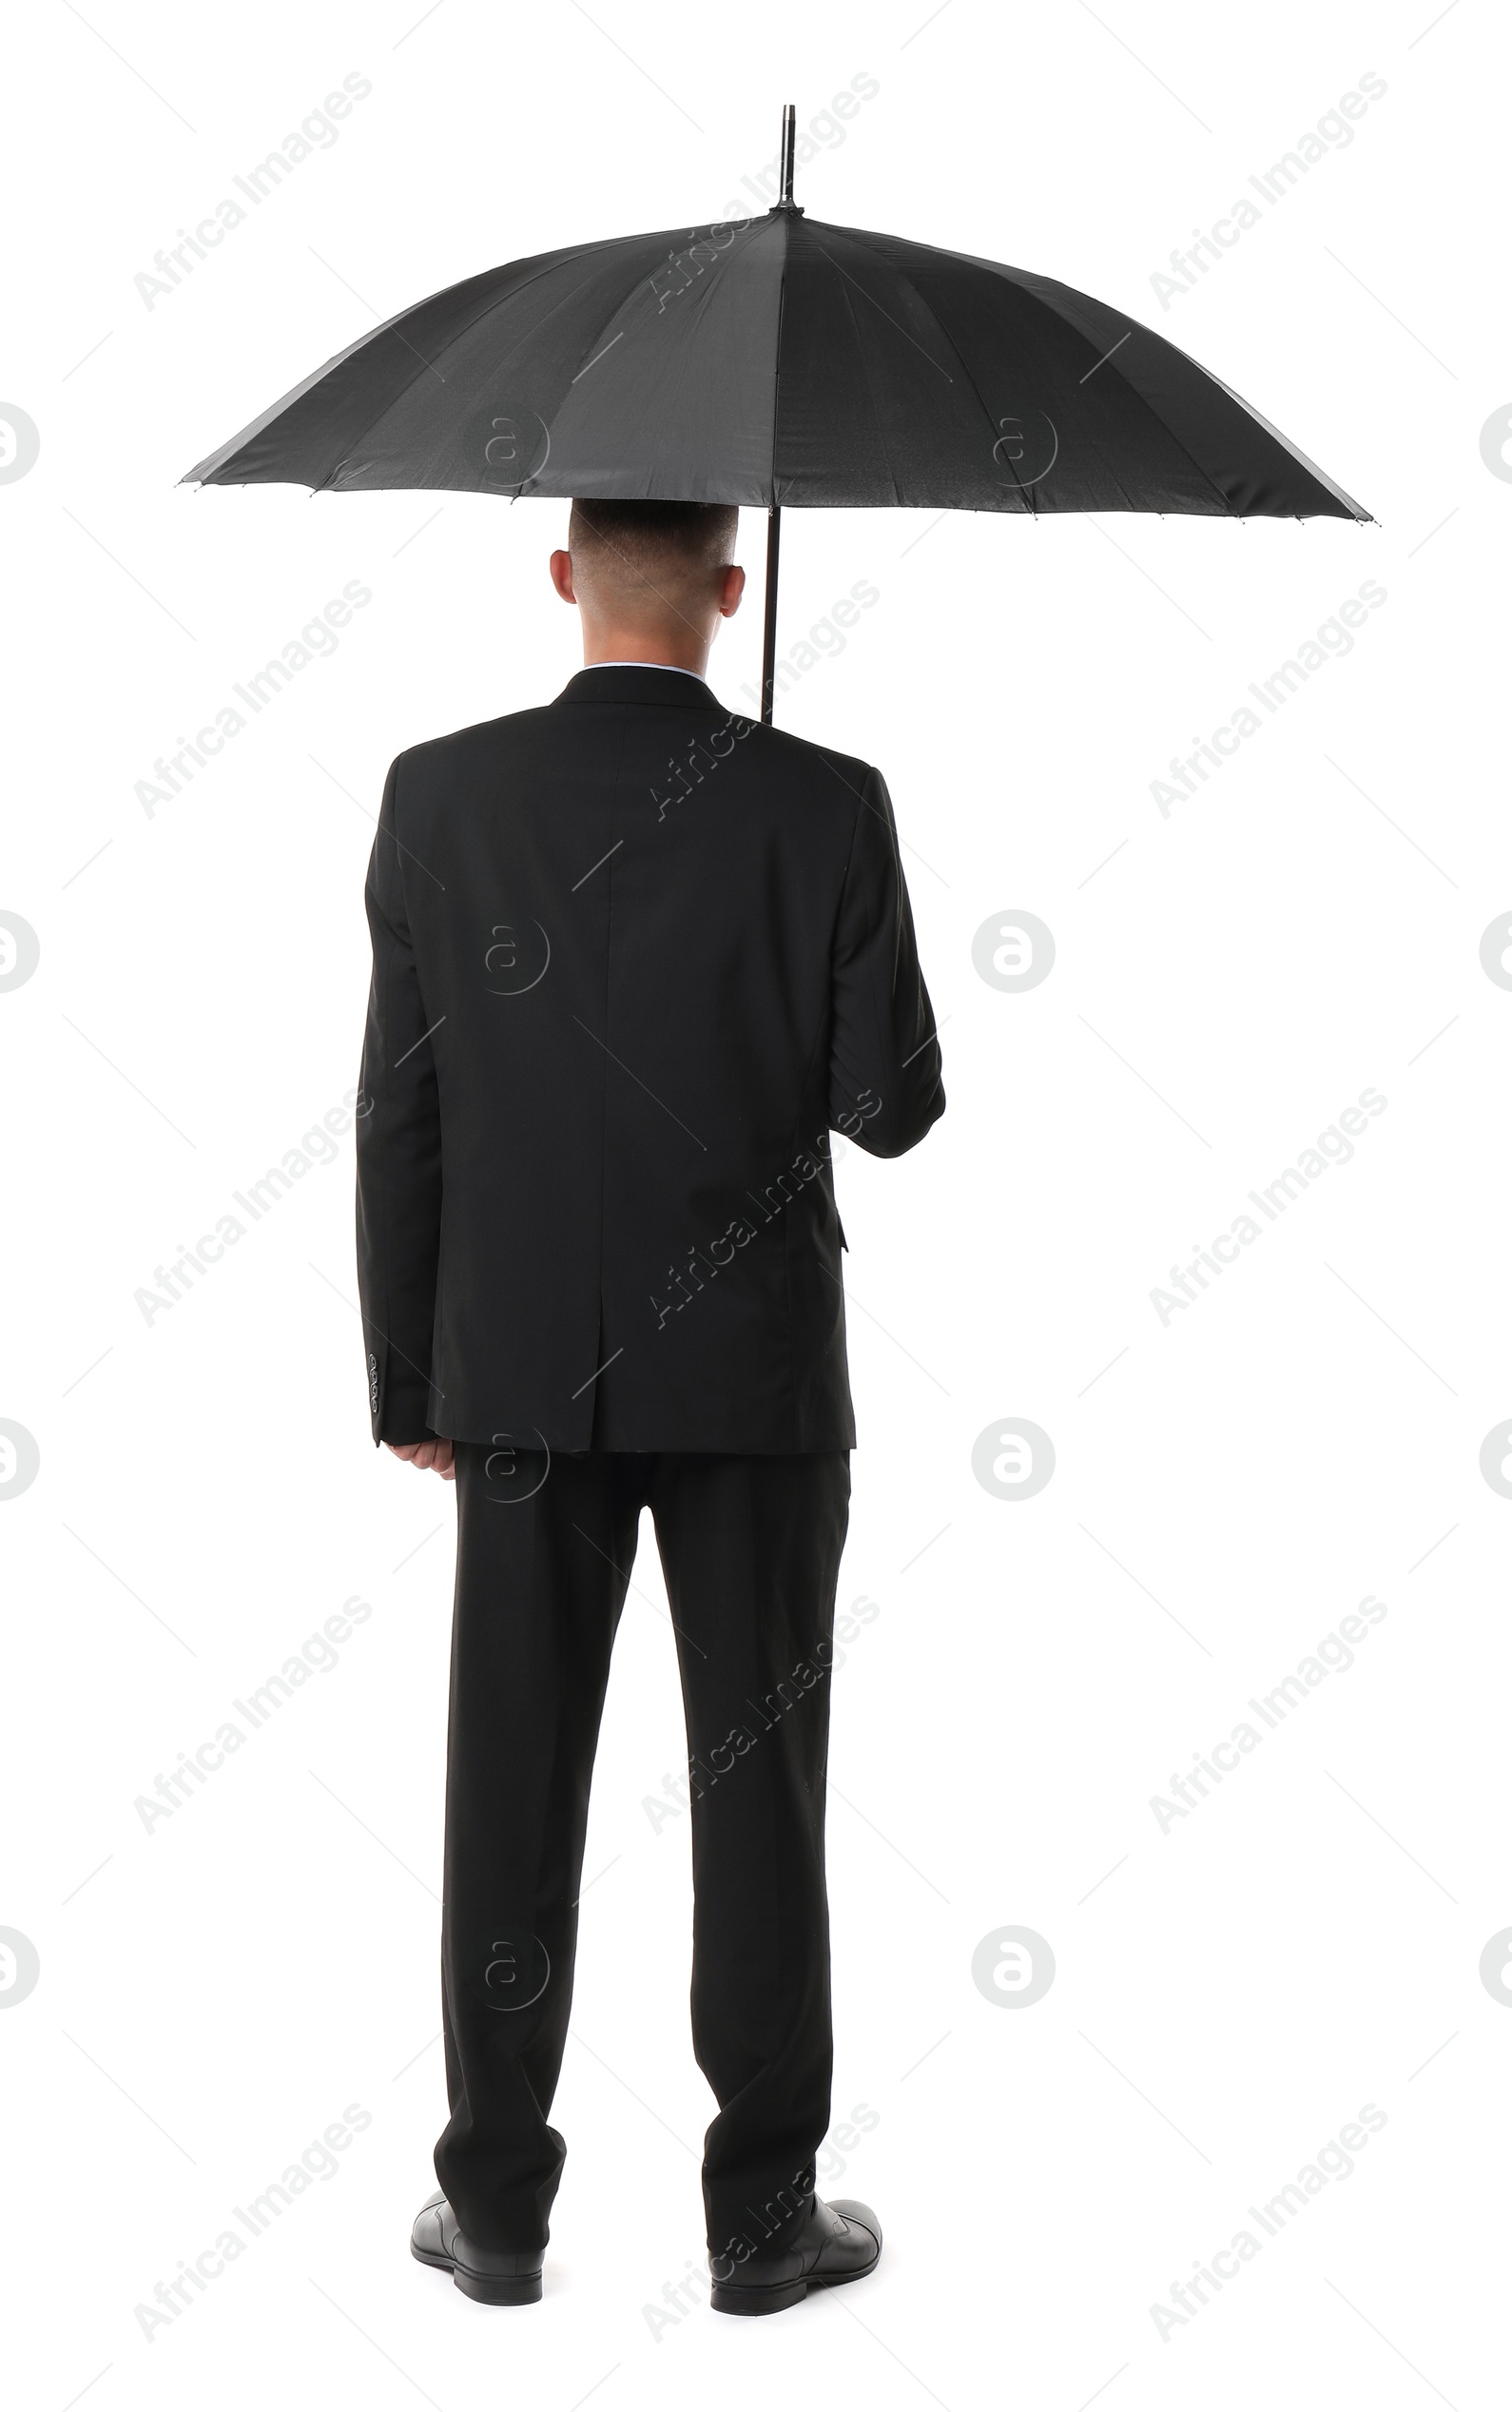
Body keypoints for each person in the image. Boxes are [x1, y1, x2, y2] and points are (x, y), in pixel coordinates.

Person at [356, 498, 944, 2313]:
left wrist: (409, 1376)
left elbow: (403, 1107)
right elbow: (893, 1104)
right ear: (729, 583)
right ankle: (763, 2222)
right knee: (761, 1786)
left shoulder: (439, 794)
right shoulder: (826, 798)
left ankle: (500, 2213)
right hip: (755, 1383)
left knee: (508, 1779)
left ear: (564, 574)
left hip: (519, 1375)